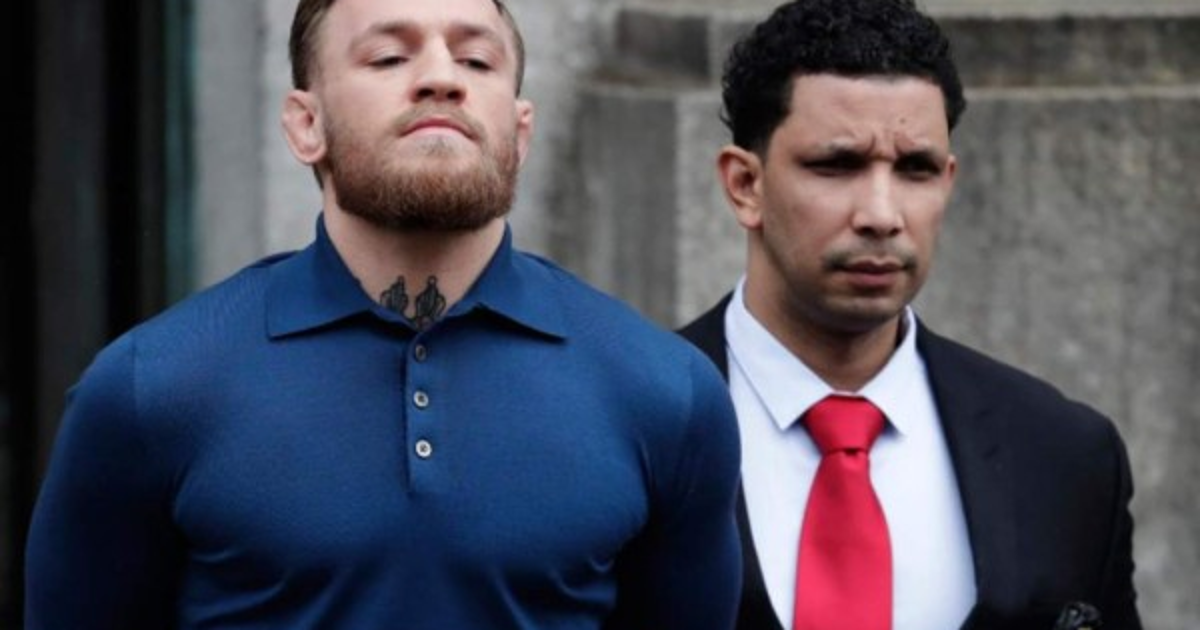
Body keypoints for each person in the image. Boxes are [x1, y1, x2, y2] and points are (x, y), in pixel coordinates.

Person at [25, 0, 743, 627]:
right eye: (389, 56)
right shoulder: (150, 389)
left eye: (476, 60)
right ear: (306, 125)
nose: (441, 78)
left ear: (520, 133)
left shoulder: (667, 393)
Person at [678, 0, 1142, 628]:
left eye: (915, 170)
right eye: (837, 165)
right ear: (745, 185)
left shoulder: (1063, 452)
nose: (881, 214)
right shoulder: (620, 422)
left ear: (947, 181)